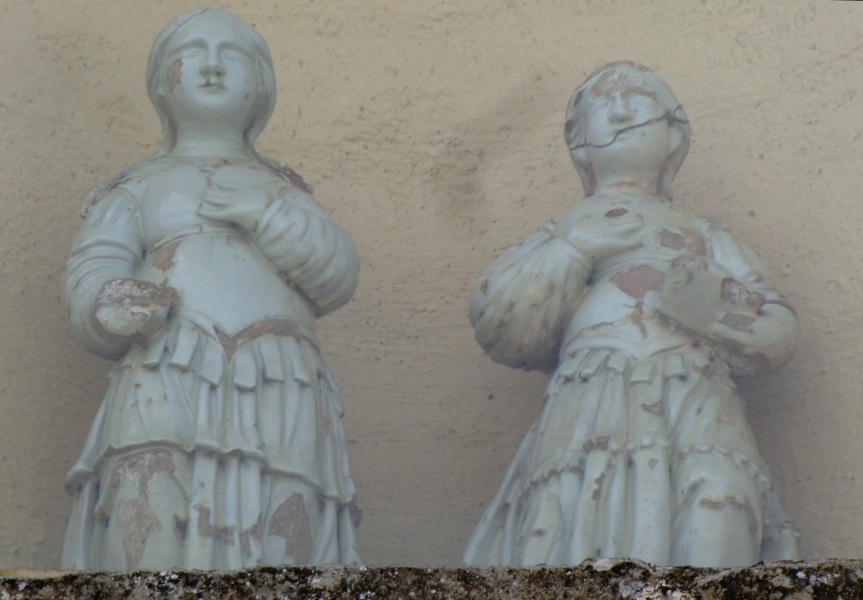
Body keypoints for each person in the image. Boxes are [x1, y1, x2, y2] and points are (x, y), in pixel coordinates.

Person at [463, 62, 799, 568]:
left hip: (696, 390)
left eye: (638, 97)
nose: (620, 109)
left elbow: (777, 328)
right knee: (582, 505)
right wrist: (575, 250)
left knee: (719, 495)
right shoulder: (567, 227)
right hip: (595, 390)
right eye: (602, 103)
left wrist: (705, 309)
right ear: (578, 143)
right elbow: (502, 321)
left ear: (672, 134)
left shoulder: (703, 232)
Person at [61, 8, 362, 570]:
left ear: (261, 87)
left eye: (234, 55)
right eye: (193, 50)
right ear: (161, 82)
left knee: (284, 509)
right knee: (148, 496)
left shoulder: (283, 188)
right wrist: (113, 305)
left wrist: (268, 214)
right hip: (166, 367)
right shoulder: (137, 186)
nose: (214, 66)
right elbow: (92, 268)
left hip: (279, 375)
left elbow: (336, 273)